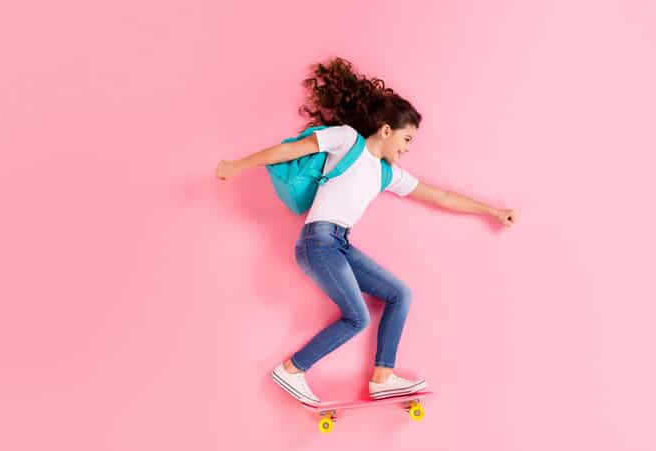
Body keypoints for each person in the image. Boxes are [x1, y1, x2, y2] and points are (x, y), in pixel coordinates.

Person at [216, 57, 517, 405]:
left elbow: (441, 195)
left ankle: (382, 379)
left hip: (339, 244)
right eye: (406, 138)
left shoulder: (387, 173)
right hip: (319, 242)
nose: (407, 148)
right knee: (357, 318)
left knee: (399, 294)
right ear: (386, 130)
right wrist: (236, 166)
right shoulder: (347, 140)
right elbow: (288, 150)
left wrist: (492, 211)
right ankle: (292, 370)